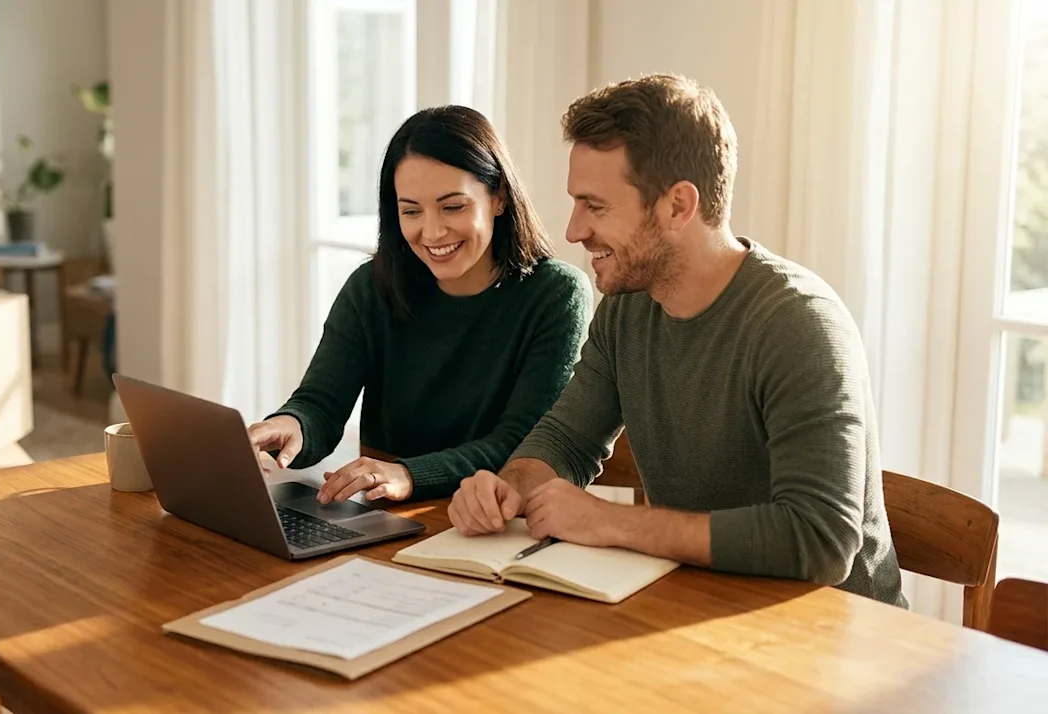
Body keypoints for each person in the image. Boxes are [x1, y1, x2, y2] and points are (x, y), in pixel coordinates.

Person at [447, 74, 907, 607]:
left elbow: (820, 540)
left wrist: (617, 522)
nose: (573, 230)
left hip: (831, 643)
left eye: (595, 206)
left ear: (677, 206)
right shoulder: (627, 307)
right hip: (701, 611)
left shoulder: (799, 325)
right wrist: (510, 487)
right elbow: (567, 439)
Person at [248, 105, 593, 506]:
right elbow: (321, 404)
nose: (431, 232)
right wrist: (292, 425)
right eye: (411, 210)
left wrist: (410, 474)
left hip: (493, 519)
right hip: (387, 514)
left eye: (453, 206)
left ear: (498, 197)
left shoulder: (556, 294)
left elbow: (523, 445)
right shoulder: (371, 286)